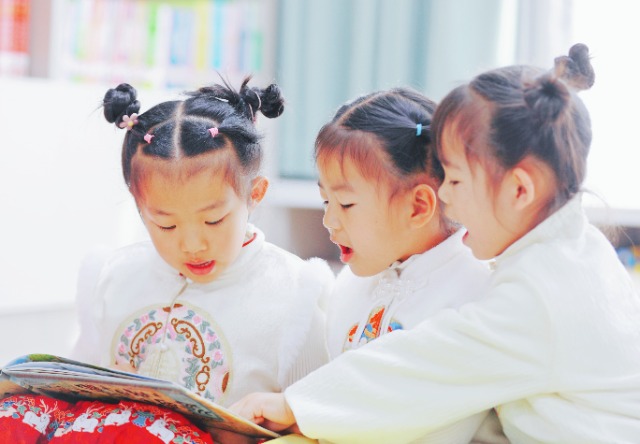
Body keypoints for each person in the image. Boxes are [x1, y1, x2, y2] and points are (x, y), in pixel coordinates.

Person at [231, 43, 640, 443]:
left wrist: (296, 406)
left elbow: (430, 363)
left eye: (457, 180)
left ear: (519, 190)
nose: (444, 197)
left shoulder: (544, 294)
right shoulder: (570, 255)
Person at [63, 78, 332, 440]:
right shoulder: (112, 276)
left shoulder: (296, 294)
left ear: (255, 194)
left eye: (213, 220)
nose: (192, 244)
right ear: (139, 207)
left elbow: (316, 422)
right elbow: (79, 384)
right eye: (165, 224)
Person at [314, 87, 502, 442]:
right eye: (325, 200)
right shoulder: (351, 283)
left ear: (418, 207)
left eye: (345, 204)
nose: (329, 221)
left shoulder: (477, 295)